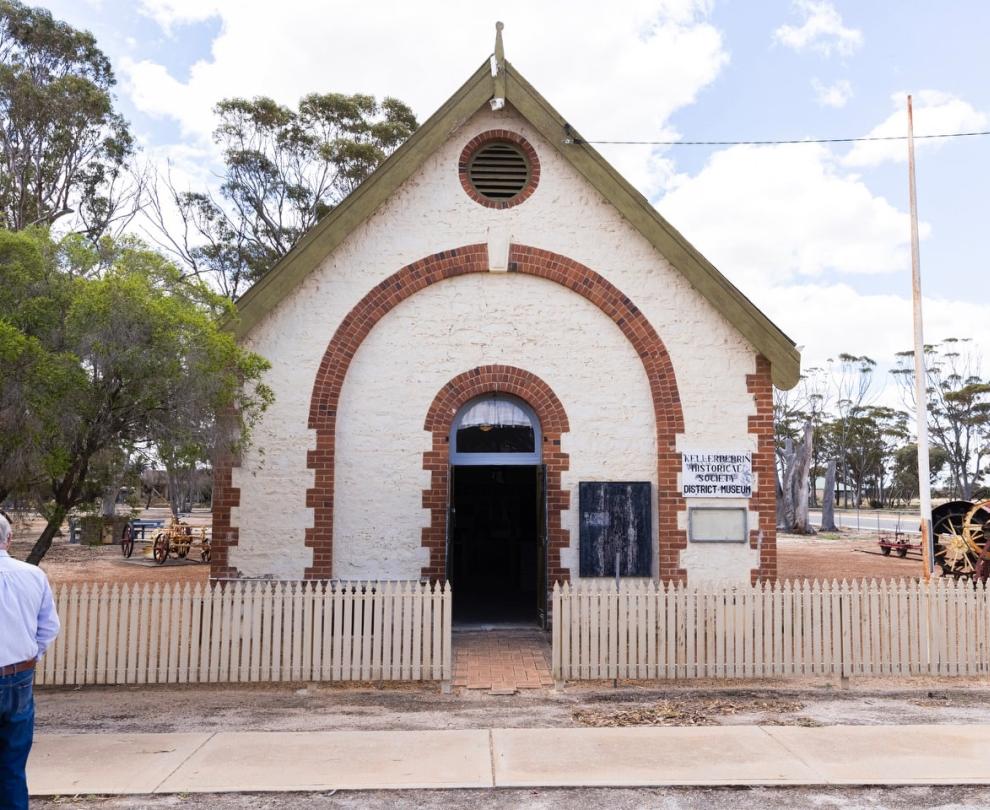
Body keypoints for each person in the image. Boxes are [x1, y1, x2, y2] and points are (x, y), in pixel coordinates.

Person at [0, 512, 60, 809]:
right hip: (19, 677)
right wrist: (30, 657)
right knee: (12, 765)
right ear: (9, 540)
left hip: (19, 673)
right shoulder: (33, 575)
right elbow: (49, 627)